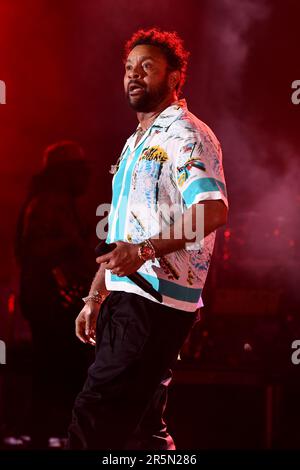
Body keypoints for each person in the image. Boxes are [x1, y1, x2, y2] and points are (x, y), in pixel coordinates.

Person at [68, 28, 228, 450]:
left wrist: (143, 252)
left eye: (147, 67)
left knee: (95, 416)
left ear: (176, 78)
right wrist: (95, 296)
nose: (134, 75)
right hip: (127, 297)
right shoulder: (135, 140)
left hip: (154, 302)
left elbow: (212, 211)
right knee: (143, 431)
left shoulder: (186, 134)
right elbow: (122, 232)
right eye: (128, 68)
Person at [15, 141, 94, 448]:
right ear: (64, 174)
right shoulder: (48, 206)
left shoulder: (53, 204)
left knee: (54, 375)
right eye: (79, 171)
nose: (85, 179)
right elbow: (40, 255)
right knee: (54, 374)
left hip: (52, 304)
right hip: (52, 306)